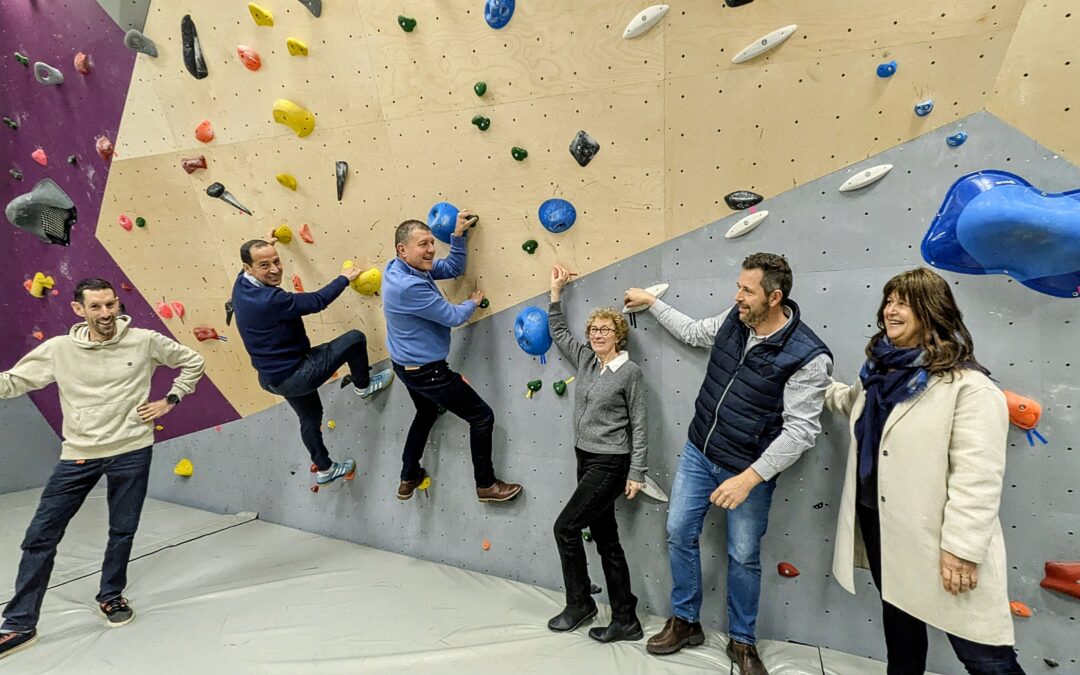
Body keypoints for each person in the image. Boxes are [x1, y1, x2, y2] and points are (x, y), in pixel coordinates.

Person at [624, 253, 832, 675]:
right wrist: (652, 302)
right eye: (738, 286)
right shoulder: (737, 320)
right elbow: (696, 332)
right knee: (679, 532)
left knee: (743, 555)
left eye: (747, 290)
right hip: (700, 453)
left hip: (748, 471)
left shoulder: (808, 357)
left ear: (774, 297)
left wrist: (749, 479)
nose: (737, 296)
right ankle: (685, 622)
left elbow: (800, 433)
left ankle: (743, 641)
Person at [824, 268, 1025, 675]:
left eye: (903, 302)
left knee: (984, 655)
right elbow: (850, 404)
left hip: (939, 540)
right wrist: (813, 383)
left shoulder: (969, 388)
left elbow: (978, 479)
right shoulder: (879, 374)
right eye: (889, 301)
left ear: (931, 311)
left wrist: (962, 551)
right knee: (900, 627)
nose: (891, 311)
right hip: (882, 523)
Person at [0, 278, 205, 660]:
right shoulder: (60, 349)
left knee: (122, 530)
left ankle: (110, 595)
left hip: (132, 450)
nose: (106, 313)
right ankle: (19, 624)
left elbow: (194, 361)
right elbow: (13, 382)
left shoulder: (143, 341)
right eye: (96, 307)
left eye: (111, 305)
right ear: (79, 310)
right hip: (79, 453)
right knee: (41, 535)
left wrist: (171, 399)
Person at [383, 211, 521, 502]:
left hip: (404, 365)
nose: (431, 250)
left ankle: (408, 476)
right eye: (423, 244)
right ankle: (486, 484)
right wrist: (472, 302)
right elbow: (452, 316)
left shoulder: (398, 268)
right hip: (427, 371)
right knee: (482, 416)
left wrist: (457, 236)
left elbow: (452, 268)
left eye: (432, 242)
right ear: (402, 249)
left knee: (427, 411)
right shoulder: (409, 287)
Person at [231, 238, 393, 485]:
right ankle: (363, 386)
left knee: (310, 417)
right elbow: (317, 302)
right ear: (248, 268)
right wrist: (344, 278)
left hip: (272, 377)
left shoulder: (241, 285)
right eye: (265, 265)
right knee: (354, 339)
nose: (275, 269)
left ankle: (325, 469)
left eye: (276, 261)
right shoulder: (270, 300)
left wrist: (267, 240)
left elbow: (259, 262)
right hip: (296, 373)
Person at [546, 264, 649, 643]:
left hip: (610, 463)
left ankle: (580, 604)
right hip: (584, 457)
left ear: (618, 335)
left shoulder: (630, 373)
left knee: (566, 528)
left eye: (605, 329)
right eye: (593, 330)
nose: (597, 335)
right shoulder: (587, 360)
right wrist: (556, 293)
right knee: (606, 540)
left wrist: (636, 471)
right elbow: (557, 332)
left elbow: (639, 424)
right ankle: (626, 619)